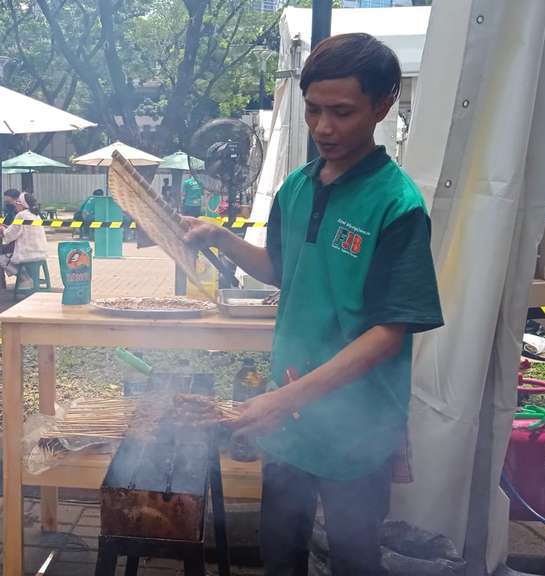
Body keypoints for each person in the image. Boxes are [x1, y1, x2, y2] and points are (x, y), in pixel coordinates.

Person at [184, 33, 443, 576]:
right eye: (313, 110)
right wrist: (222, 237)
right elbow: (283, 270)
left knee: (353, 554)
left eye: (342, 112)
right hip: (292, 414)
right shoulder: (297, 189)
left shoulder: (397, 205)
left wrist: (284, 399)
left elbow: (390, 330)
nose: (324, 127)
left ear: (383, 105)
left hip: (358, 421)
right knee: (279, 549)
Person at [0, 192, 48, 289]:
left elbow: (10, 235)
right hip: (41, 253)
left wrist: (1, 229)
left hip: (27, 254)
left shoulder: (21, 215)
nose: (15, 205)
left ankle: (25, 278)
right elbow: (18, 230)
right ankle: (29, 278)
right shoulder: (35, 215)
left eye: (17, 202)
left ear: (21, 204)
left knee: (1, 258)